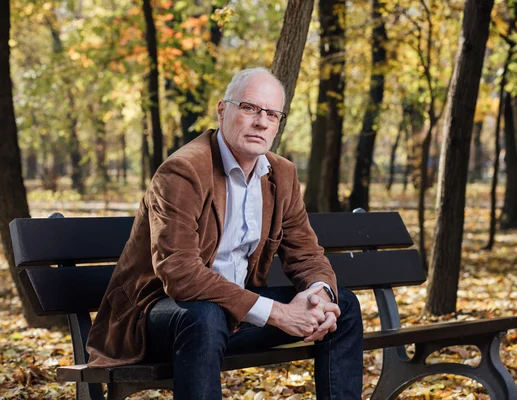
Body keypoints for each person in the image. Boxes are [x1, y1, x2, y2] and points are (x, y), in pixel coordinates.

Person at [86, 67, 363, 399]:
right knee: (204, 315)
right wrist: (279, 313)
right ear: (222, 110)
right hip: (156, 320)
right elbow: (181, 275)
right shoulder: (183, 171)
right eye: (249, 108)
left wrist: (316, 296)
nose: (261, 121)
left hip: (233, 315)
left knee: (341, 305)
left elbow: (306, 254)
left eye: (272, 114)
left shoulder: (282, 174)